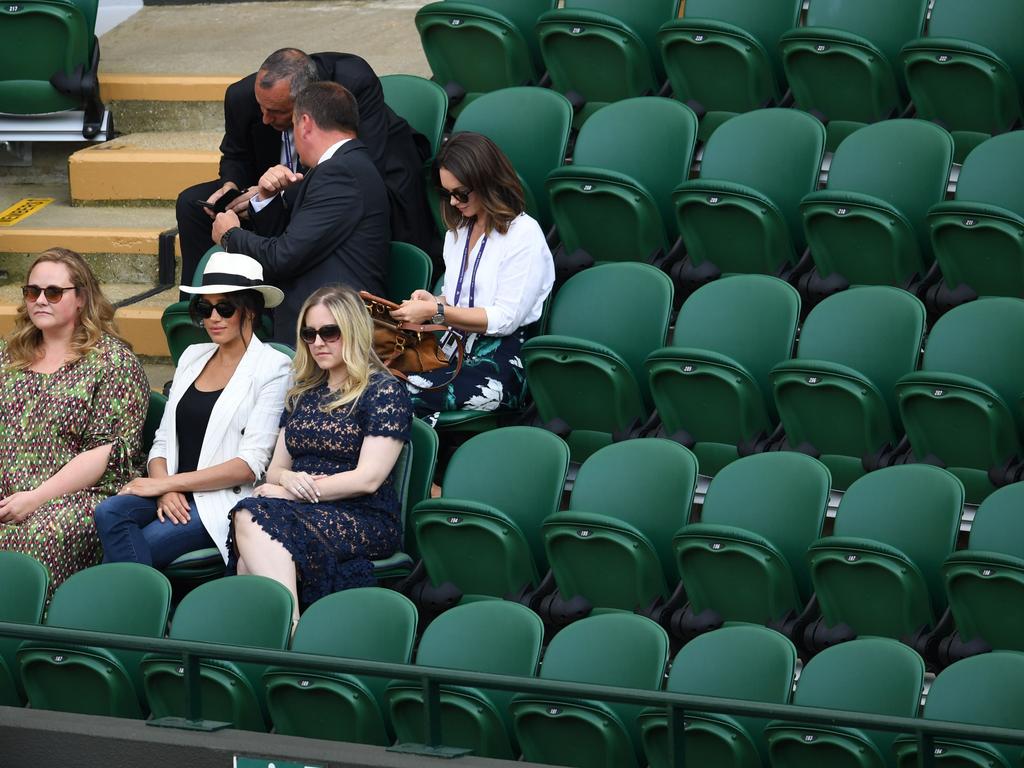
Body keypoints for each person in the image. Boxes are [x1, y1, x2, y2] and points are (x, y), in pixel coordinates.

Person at [93, 252, 291, 571]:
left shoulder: (274, 367)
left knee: (130, 551)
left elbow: (249, 465)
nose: (213, 317)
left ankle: (132, 614)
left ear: (251, 310)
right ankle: (141, 613)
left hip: (221, 499)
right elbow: (161, 443)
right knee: (108, 512)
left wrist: (169, 485)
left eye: (225, 308)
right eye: (204, 308)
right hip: (173, 489)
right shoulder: (192, 356)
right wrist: (166, 484)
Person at [176, 47, 433, 291]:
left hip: (346, 188)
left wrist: (273, 196)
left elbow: (357, 167)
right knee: (191, 204)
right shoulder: (242, 96)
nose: (265, 119)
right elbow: (235, 154)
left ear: (305, 108)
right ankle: (200, 306)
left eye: (275, 112)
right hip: (272, 187)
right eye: (261, 108)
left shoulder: (352, 83)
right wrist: (231, 186)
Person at [228, 285, 412, 621]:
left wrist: (290, 493)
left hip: (360, 513)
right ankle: (281, 640)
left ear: (353, 331)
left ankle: (290, 628)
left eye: (330, 332)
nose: (318, 343)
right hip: (302, 508)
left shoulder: (384, 391)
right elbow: (276, 470)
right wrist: (288, 480)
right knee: (249, 554)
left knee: (250, 516)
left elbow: (368, 479)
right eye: (309, 334)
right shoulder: (303, 393)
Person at [0, 248, 149, 592]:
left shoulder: (112, 363)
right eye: (31, 291)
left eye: (53, 292)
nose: (40, 300)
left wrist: (34, 498)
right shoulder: (9, 356)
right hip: (9, 492)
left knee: (35, 537)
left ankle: (32, 643)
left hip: (78, 496)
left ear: (81, 298)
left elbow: (103, 453)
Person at [390, 132, 555, 422]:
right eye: (447, 193)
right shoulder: (458, 232)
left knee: (394, 397)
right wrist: (434, 301)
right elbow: (458, 302)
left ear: (487, 183)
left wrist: (436, 310)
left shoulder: (524, 234)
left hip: (497, 364)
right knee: (373, 382)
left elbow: (504, 319)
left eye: (461, 193)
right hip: (449, 350)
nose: (453, 202)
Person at [212, 81, 390, 346]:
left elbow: (283, 257)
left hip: (332, 333)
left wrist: (230, 236)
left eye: (293, 126)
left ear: (305, 123)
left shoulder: (340, 172)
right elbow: (295, 243)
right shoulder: (341, 167)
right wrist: (266, 198)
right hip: (316, 324)